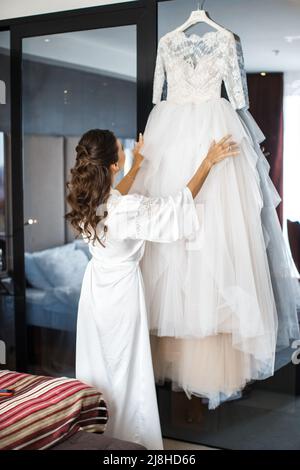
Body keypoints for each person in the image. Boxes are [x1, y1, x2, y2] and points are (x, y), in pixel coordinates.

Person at [65, 129, 239, 450]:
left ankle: (99, 438)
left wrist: (138, 165)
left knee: (99, 370)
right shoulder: (123, 209)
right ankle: (130, 443)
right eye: (122, 149)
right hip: (121, 296)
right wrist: (207, 162)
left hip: (95, 292)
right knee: (126, 371)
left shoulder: (88, 198)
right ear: (113, 165)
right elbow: (175, 208)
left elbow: (116, 198)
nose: (125, 150)